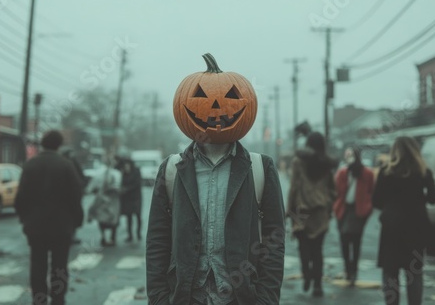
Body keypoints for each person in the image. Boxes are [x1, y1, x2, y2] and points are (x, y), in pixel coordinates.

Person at [146, 53, 285, 305]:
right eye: (200, 96)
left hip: (241, 297)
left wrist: (266, 298)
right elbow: (157, 241)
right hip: (187, 296)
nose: (217, 108)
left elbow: (275, 241)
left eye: (231, 96)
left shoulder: (260, 168)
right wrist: (158, 299)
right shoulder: (172, 169)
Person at [15, 130, 84, 305]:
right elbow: (76, 195)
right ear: (59, 145)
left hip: (35, 227)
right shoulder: (66, 165)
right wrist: (77, 219)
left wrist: (24, 219)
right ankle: (58, 299)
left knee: (37, 265)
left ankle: (38, 299)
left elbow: (20, 197)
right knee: (59, 266)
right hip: (62, 227)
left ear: (42, 144)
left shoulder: (30, 165)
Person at [373, 136, 435, 305]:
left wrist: (390, 207)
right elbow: (433, 198)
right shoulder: (423, 171)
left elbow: (376, 201)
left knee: (390, 271)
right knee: (414, 273)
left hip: (391, 228)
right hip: (416, 229)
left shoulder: (385, 171)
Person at [287, 131, 336, 297]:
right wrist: (328, 205)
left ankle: (307, 275)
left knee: (303, 249)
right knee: (317, 251)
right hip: (320, 212)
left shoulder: (298, 162)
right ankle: (317, 286)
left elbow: (294, 187)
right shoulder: (327, 164)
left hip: (302, 211)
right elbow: (332, 189)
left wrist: (289, 209)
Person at [333, 146, 375, 286]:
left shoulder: (366, 173)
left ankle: (354, 271)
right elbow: (337, 191)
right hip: (344, 210)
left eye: (350, 154)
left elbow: (371, 191)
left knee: (356, 242)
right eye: (347, 154)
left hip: (359, 210)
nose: (348, 156)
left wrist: (368, 208)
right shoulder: (343, 172)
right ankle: (348, 269)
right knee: (344, 241)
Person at [87, 152, 122, 247]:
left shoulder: (104, 173)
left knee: (105, 218)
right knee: (110, 218)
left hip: (105, 199)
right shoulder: (115, 173)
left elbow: (91, 187)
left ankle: (107, 237)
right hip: (110, 199)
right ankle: (110, 237)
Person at [116, 157, 143, 242]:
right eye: (125, 165)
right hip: (127, 198)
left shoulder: (136, 171)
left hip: (136, 197)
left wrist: (126, 189)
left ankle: (138, 234)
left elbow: (137, 183)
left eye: (127, 165)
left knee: (138, 216)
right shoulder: (123, 173)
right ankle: (130, 235)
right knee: (129, 217)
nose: (126, 167)